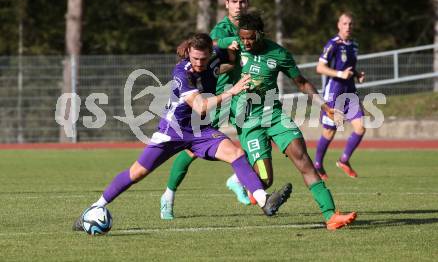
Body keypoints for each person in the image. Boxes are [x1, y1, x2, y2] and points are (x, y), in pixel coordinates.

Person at [73, 33, 292, 231]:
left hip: (201, 131)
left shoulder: (215, 55)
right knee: (137, 172)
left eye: (203, 59)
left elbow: (230, 54)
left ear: (210, 54)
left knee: (236, 154)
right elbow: (201, 107)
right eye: (194, 58)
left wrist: (226, 65)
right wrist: (232, 91)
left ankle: (265, 201)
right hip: (174, 131)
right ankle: (93, 209)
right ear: (188, 53)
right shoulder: (181, 73)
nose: (198, 63)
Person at [230, 12, 356, 230]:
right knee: (266, 180)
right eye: (242, 38)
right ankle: (242, 182)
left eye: (250, 37)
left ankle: (330, 216)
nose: (246, 42)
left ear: (260, 34)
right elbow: (213, 65)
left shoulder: (279, 54)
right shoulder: (234, 51)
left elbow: (301, 82)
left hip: (275, 115)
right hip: (249, 121)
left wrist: (325, 106)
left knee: (302, 157)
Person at [160, 0, 252, 221]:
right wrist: (226, 45)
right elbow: (210, 44)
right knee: (191, 149)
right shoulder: (221, 29)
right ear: (227, 4)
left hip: (244, 92)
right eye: (235, 2)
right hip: (220, 94)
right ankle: (168, 196)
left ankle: (239, 179)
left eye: (242, 2)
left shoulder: (251, 27)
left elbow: (240, 57)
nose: (239, 6)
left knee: (253, 137)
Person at [313, 12, 366, 180]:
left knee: (360, 127)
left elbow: (348, 67)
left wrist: (357, 74)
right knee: (329, 132)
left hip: (350, 91)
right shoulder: (333, 44)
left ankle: (344, 160)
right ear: (339, 25)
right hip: (334, 92)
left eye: (350, 24)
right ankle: (317, 164)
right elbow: (320, 68)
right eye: (345, 23)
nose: (348, 27)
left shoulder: (354, 45)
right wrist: (339, 74)